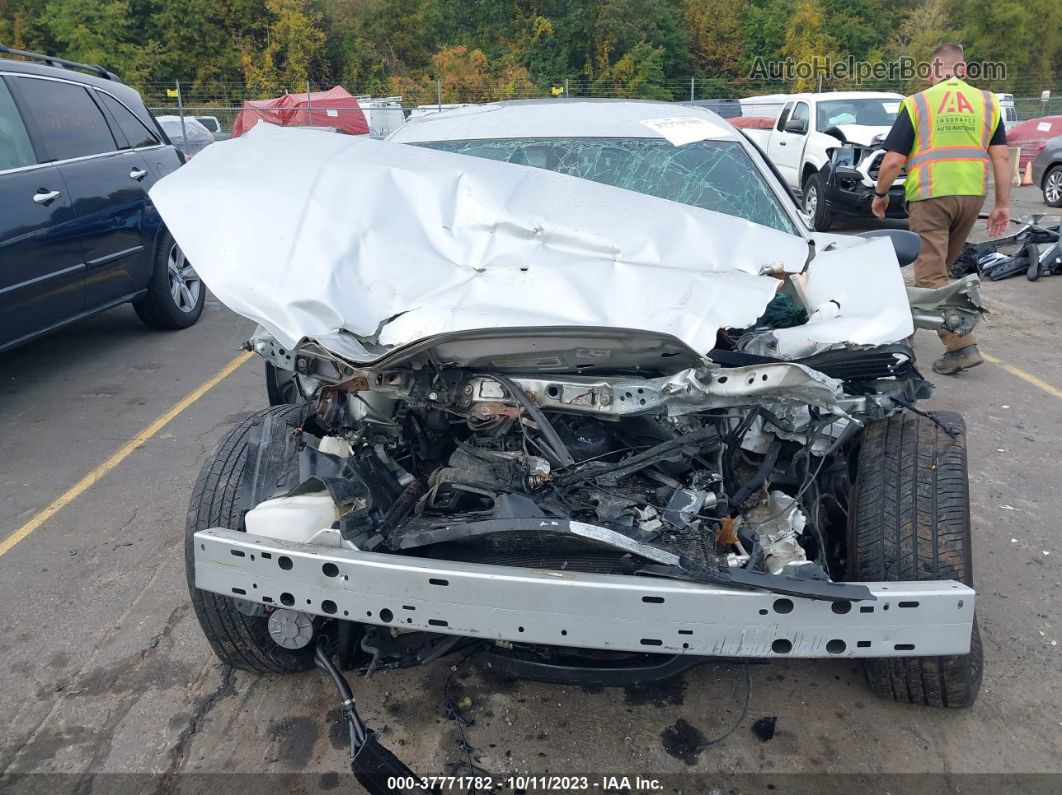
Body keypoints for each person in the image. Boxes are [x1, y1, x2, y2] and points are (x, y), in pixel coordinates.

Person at [871, 43, 1011, 375]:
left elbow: (892, 160)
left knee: (931, 276)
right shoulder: (988, 103)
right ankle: (904, 327)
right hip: (971, 196)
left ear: (932, 70)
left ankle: (961, 345)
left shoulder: (919, 102)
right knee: (936, 273)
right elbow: (1002, 158)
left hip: (931, 196)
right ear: (962, 69)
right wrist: (1002, 205)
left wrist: (879, 193)